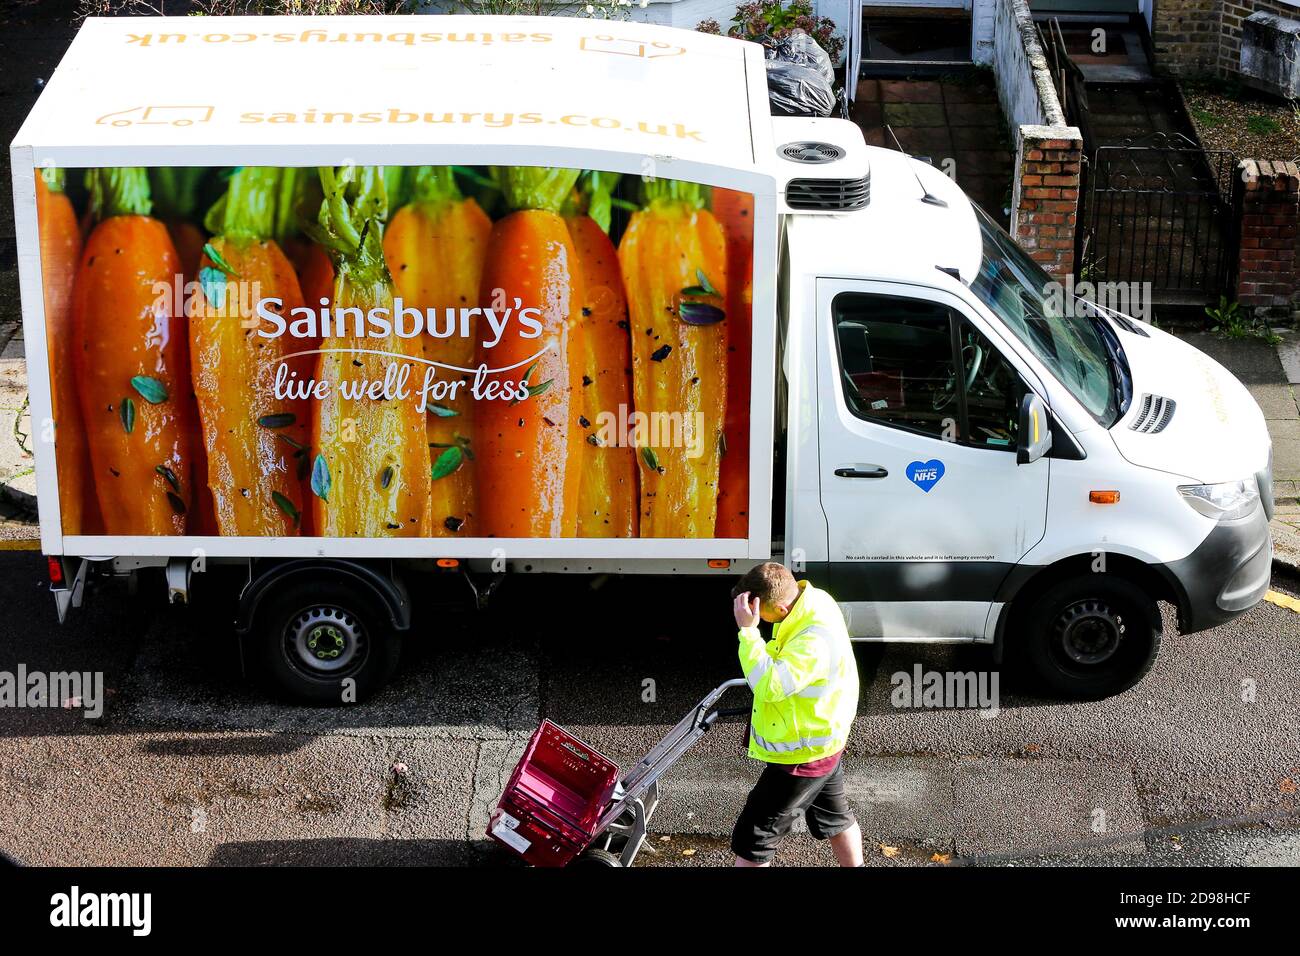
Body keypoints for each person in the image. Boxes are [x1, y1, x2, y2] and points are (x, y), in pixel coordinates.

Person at [729, 562, 862, 867]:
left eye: (761, 611)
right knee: (836, 818)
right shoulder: (814, 600)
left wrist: (749, 634)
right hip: (824, 741)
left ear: (782, 609)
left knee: (756, 838)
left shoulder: (813, 642)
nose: (758, 617)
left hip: (803, 753)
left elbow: (770, 687)